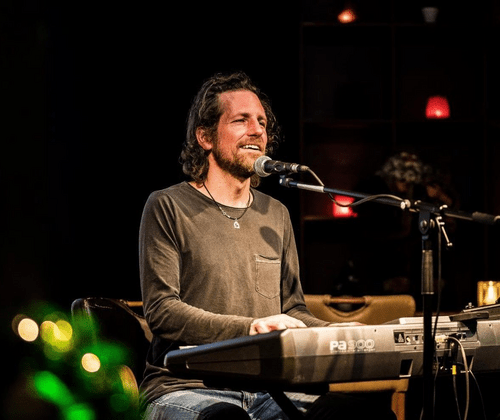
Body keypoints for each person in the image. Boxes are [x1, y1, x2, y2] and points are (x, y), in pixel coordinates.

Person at [139, 71, 396, 419]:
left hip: (268, 390)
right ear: (205, 137)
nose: (257, 130)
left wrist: (334, 331)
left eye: (261, 122)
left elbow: (292, 311)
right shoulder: (167, 205)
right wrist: (249, 328)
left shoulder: (276, 214)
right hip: (187, 387)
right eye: (241, 120)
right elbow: (162, 311)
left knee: (366, 416)